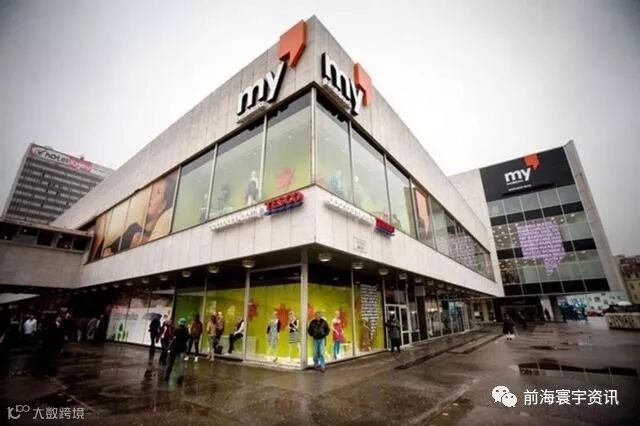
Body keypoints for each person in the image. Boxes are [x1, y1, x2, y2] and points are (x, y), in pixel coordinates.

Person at [164, 318, 189, 384]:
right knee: (181, 363)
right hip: (182, 348)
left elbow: (172, 337)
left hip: (174, 348)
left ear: (179, 322)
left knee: (171, 362)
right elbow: (187, 338)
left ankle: (167, 375)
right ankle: (180, 376)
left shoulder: (177, 329)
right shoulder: (186, 330)